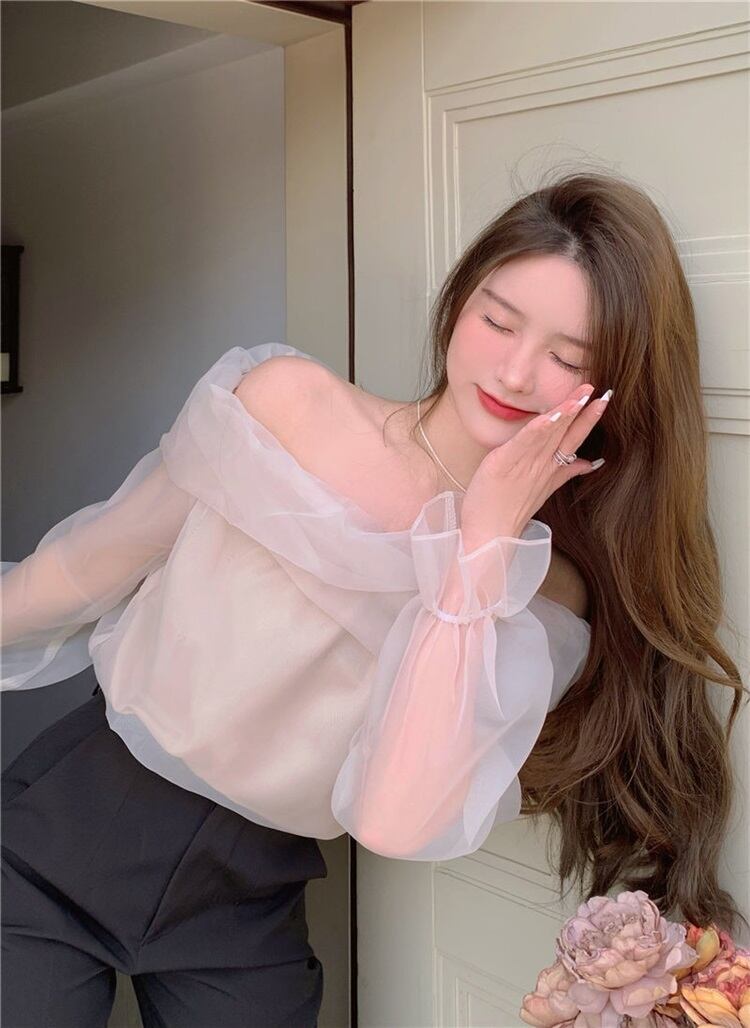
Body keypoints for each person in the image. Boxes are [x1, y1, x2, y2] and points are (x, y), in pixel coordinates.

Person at [1, 169, 747, 1026]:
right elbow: (91, 562)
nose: (514, 371)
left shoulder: (541, 593)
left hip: (247, 910)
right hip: (56, 840)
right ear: (460, 300)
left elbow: (394, 820)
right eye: (498, 321)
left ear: (611, 385)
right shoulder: (287, 406)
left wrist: (479, 551)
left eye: (568, 360)